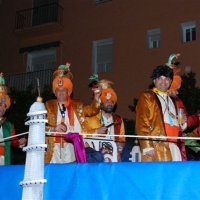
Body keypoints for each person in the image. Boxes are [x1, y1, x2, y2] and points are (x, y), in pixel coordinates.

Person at [45, 63, 102, 163]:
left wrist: (96, 99)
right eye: (58, 90)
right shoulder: (48, 105)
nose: (61, 92)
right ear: (54, 92)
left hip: (73, 147)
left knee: (72, 175)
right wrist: (53, 128)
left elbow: (91, 111)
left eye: (64, 90)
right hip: (54, 148)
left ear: (69, 91)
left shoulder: (77, 104)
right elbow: (40, 126)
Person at [136, 65, 187, 162]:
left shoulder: (174, 100)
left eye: (166, 78)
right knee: (159, 175)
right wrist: (147, 145)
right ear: (154, 81)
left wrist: (182, 123)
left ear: (171, 81)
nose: (163, 81)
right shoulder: (147, 96)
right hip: (157, 146)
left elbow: (176, 123)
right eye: (160, 78)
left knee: (175, 175)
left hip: (174, 146)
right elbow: (142, 121)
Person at [85, 79, 126, 161]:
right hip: (95, 158)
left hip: (114, 157)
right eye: (106, 101)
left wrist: (121, 144)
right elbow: (81, 136)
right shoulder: (90, 117)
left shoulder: (118, 119)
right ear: (101, 102)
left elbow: (122, 139)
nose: (110, 103)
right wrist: (96, 131)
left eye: (112, 101)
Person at [0, 73, 26, 165]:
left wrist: (20, 143)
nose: (2, 108)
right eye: (0, 105)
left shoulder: (8, 124)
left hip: (3, 160)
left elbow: (13, 141)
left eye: (4, 106)